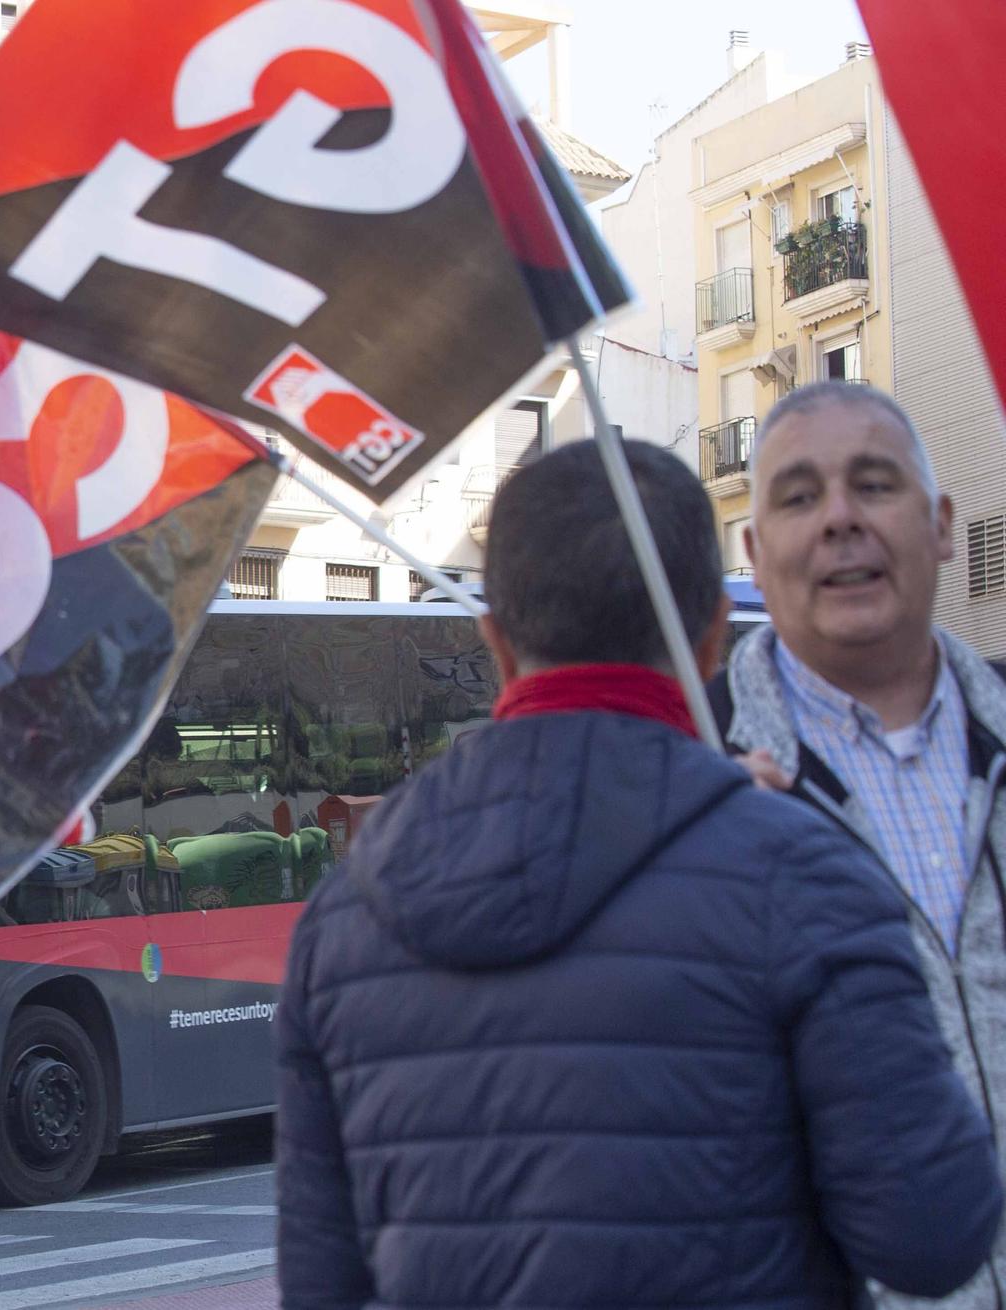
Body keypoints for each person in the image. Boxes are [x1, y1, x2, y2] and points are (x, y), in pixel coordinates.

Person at [275, 438, 1001, 1307]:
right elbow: (934, 1233)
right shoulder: (803, 875)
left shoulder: (341, 917)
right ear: (708, 642)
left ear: (496, 643)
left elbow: (321, 1286)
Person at [715, 381, 1006, 1308]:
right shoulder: (685, 780)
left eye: (875, 484)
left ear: (944, 523)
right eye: (799, 497)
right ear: (755, 554)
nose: (840, 519)